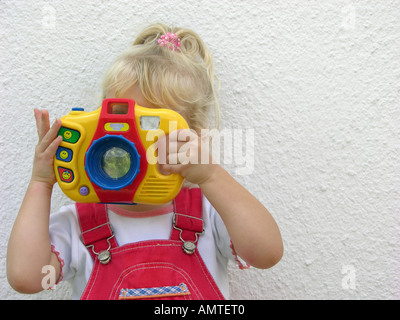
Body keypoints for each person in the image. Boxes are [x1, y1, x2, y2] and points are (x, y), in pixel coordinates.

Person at [7, 23, 283, 300]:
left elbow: (266, 254)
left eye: (149, 131)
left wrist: (211, 175)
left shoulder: (210, 215)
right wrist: (41, 183)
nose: (130, 147)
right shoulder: (79, 224)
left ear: (193, 139)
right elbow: (26, 278)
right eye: (119, 126)